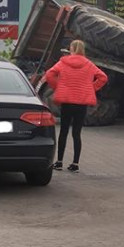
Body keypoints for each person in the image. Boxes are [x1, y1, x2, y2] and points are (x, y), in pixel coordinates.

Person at [45, 39, 108, 172]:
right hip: (81, 103)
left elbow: (49, 74)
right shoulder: (89, 64)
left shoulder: (63, 62)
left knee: (63, 132)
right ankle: (75, 163)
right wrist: (91, 88)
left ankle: (59, 162)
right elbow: (103, 77)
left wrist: (58, 87)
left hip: (67, 102)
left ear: (71, 49)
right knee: (76, 133)